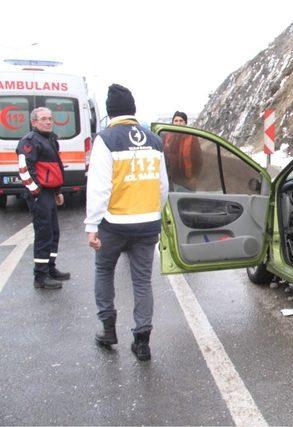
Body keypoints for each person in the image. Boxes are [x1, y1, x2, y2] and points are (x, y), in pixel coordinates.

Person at [84, 84, 168, 361]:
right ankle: (142, 341)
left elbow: (98, 186)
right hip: (146, 225)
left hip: (114, 223)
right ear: (133, 109)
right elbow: (162, 187)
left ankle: (108, 330)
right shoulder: (154, 141)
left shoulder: (106, 139)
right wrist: (156, 213)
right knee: (142, 281)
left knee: (104, 270)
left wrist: (92, 226)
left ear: (110, 112)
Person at [16, 107, 71, 289]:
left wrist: (57, 192)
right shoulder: (29, 141)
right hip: (40, 195)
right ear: (34, 122)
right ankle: (40, 276)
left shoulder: (50, 139)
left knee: (54, 232)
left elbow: (54, 170)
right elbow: (25, 170)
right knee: (44, 234)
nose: (48, 122)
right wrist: (36, 193)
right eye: (44, 119)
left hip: (50, 193)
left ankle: (50, 268)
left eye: (50, 118)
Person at [163, 111, 202, 191]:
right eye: (176, 121)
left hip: (187, 180)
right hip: (170, 179)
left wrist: (194, 177)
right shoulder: (166, 136)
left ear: (185, 123)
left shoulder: (192, 137)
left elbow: (199, 160)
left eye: (181, 121)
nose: (178, 123)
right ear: (172, 122)